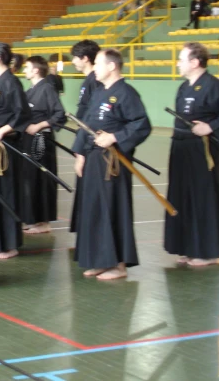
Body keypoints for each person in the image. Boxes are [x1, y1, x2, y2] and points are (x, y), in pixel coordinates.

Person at [72, 49, 151, 281]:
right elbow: (87, 124)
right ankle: (99, 260)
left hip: (113, 162)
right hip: (93, 159)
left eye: (97, 63)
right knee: (93, 210)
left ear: (112, 66)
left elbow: (142, 124)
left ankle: (118, 264)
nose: (94, 68)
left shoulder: (126, 93)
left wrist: (115, 137)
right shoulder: (98, 93)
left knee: (113, 209)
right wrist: (80, 154)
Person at [165, 42, 219, 267]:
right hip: (181, 148)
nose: (177, 63)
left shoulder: (213, 85)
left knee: (201, 197)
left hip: (201, 149)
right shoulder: (184, 87)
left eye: (181, 59)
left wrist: (211, 127)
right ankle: (187, 246)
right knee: (182, 196)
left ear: (195, 62)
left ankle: (207, 251)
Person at [0, 42, 30, 260]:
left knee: (5, 191)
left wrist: (2, 131)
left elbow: (22, 114)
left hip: (4, 147)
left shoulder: (11, 82)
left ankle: (9, 244)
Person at [20, 56, 66, 234]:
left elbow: (59, 114)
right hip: (28, 139)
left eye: (27, 67)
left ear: (36, 70)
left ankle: (44, 221)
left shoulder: (47, 88)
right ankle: (33, 218)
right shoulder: (30, 90)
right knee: (31, 180)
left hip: (42, 140)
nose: (25, 71)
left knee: (42, 179)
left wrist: (39, 125)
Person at [69, 39, 102, 233]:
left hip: (91, 141)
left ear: (85, 58)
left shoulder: (95, 81)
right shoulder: (87, 81)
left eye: (75, 57)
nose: (73, 61)